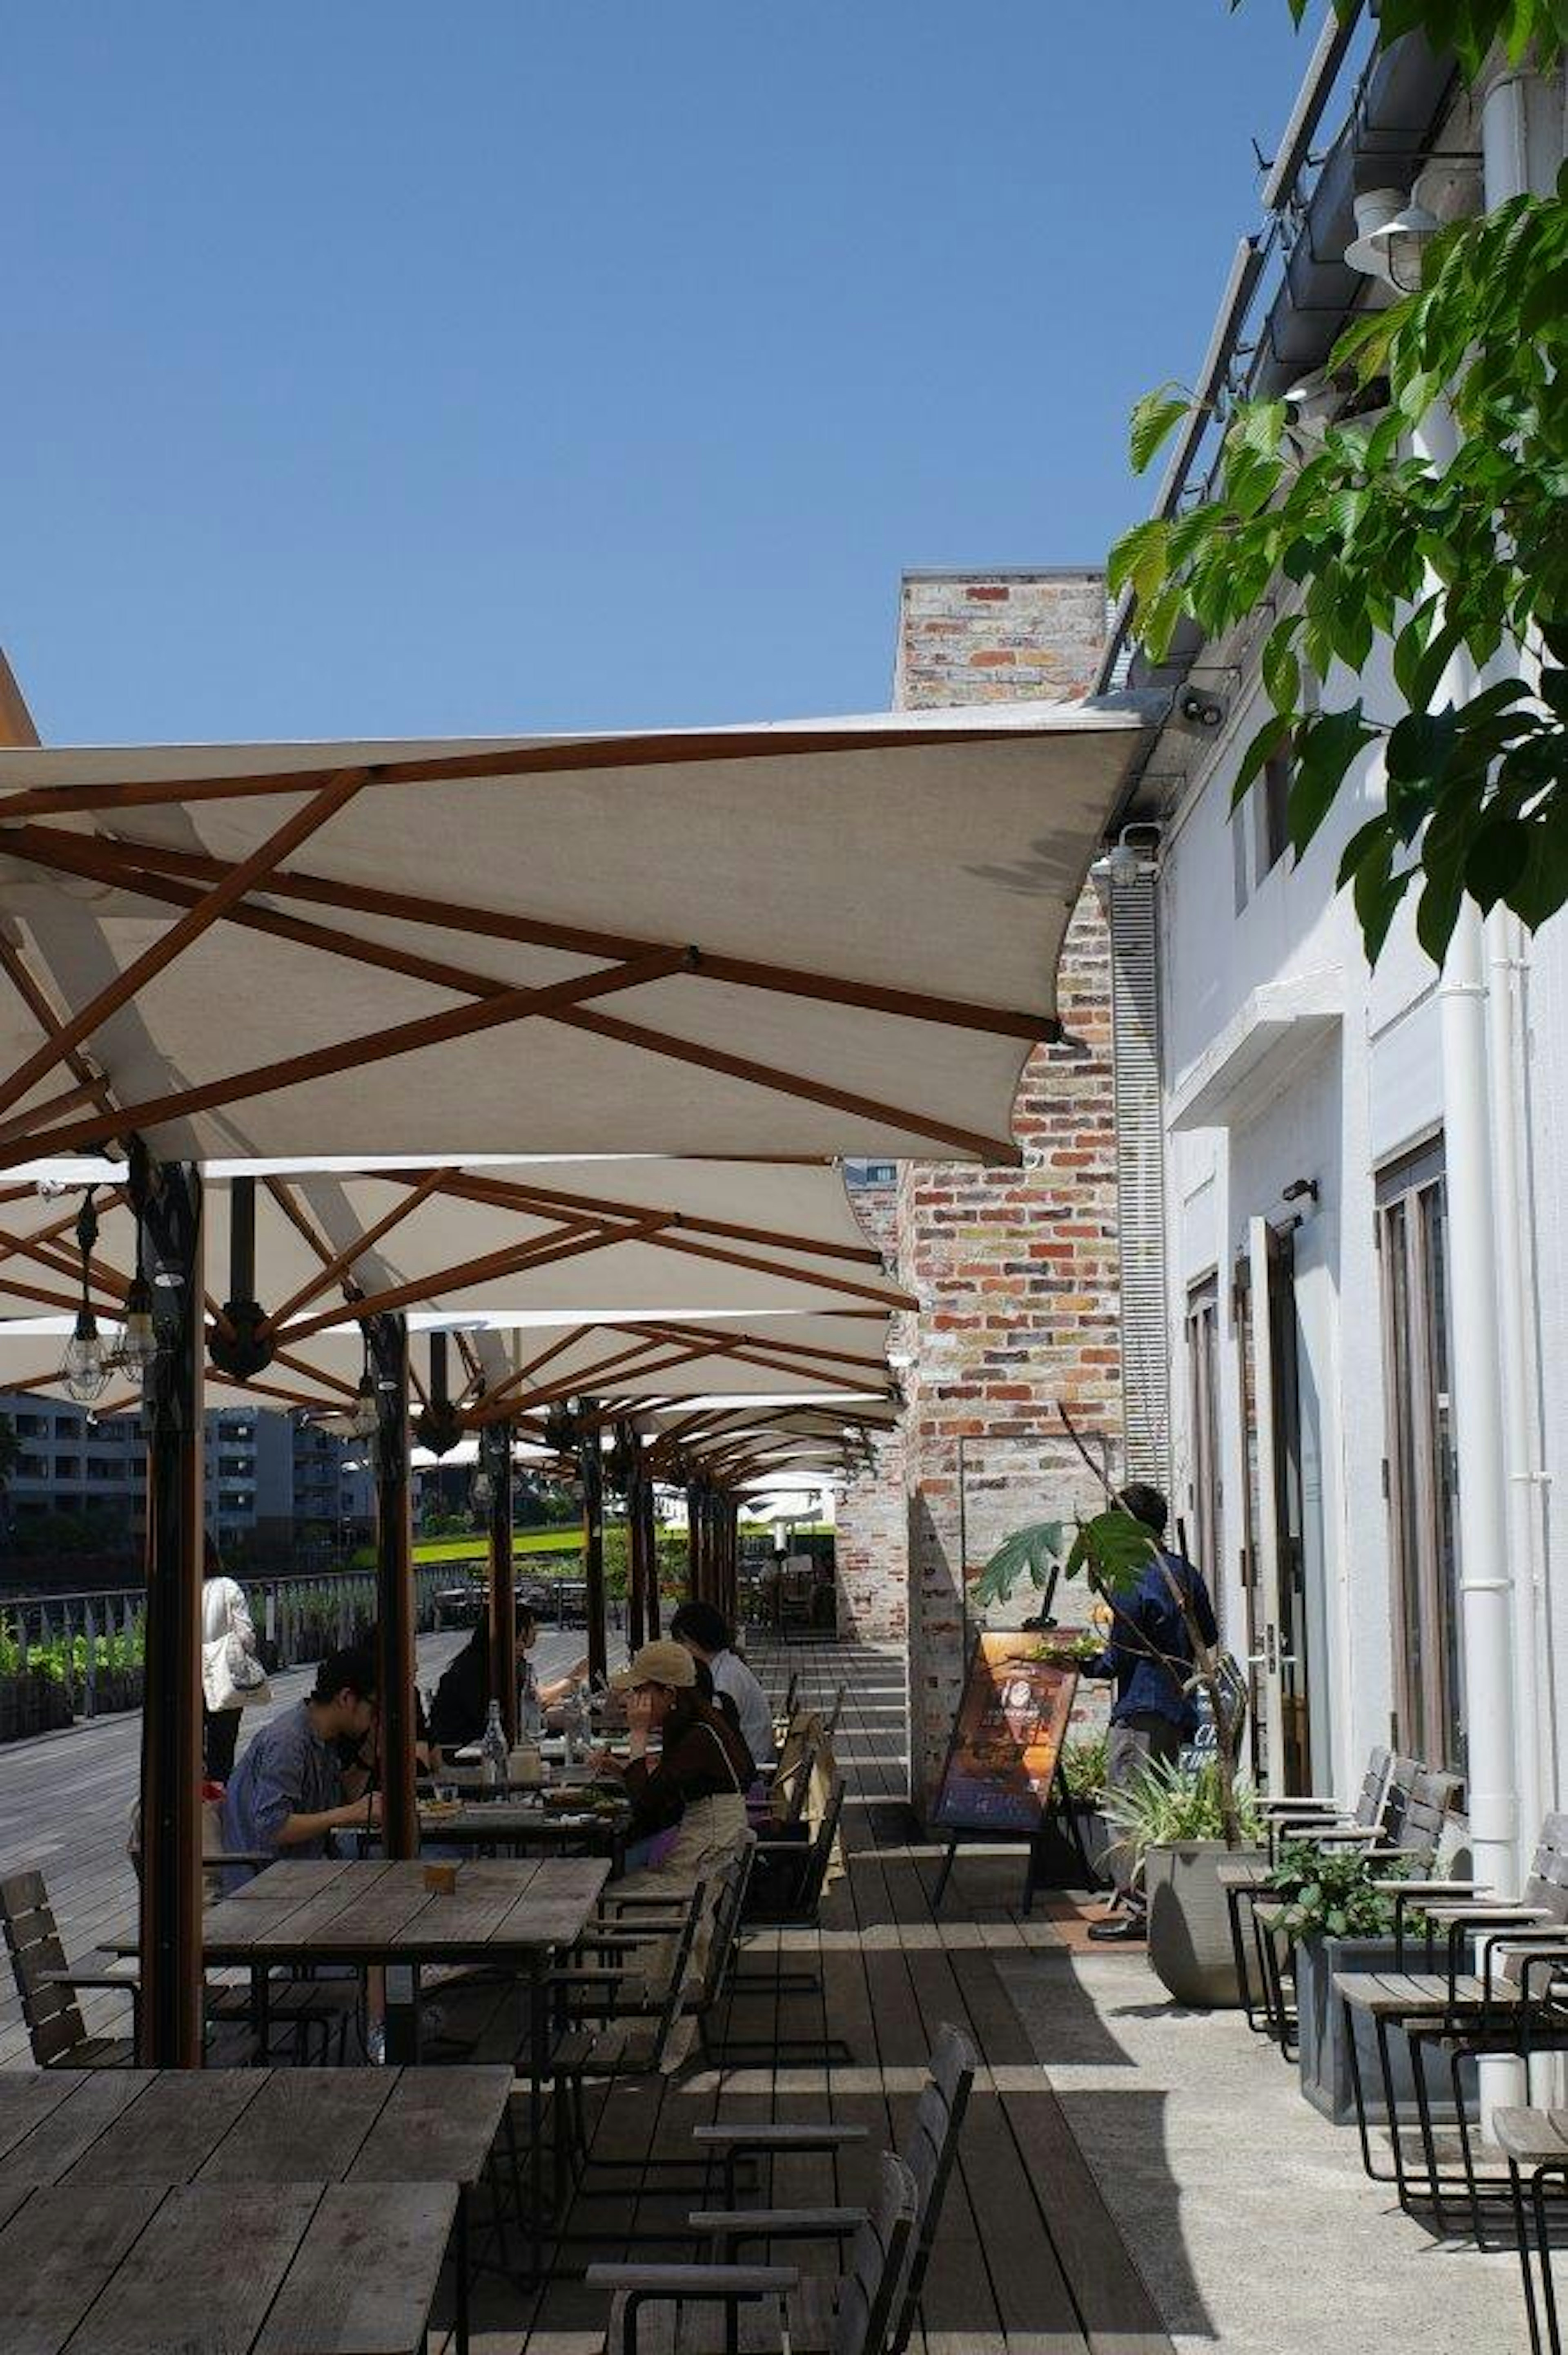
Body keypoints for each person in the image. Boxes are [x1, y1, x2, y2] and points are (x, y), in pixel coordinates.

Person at [1075, 1483, 1219, 1944]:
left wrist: (1082, 1663)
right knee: (1159, 1807)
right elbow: (1209, 1636)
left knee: (1129, 1809)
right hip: (1179, 1708)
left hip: (1141, 1708)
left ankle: (1140, 1910)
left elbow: (1118, 1657)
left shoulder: (1134, 1575)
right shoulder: (1184, 1572)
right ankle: (1156, 1903)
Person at [219, 1644, 379, 1884]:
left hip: (302, 1873)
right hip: (264, 1885)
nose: (376, 1717)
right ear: (347, 1698)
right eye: (374, 1708)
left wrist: (369, 1755)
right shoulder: (289, 1741)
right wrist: (348, 1814)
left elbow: (338, 1804)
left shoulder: (324, 1737)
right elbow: (273, 1827)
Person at [590, 1637, 754, 1870]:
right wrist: (621, 1770)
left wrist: (639, 1733)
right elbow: (658, 1795)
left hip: (704, 1863)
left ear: (669, 1693)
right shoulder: (694, 1728)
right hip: (704, 1852)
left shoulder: (699, 1737)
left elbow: (645, 1803)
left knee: (604, 1872)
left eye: (641, 1690)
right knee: (608, 1863)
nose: (633, 1699)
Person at [428, 1608, 587, 1750]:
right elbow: (526, 1707)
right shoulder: (480, 1668)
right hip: (464, 1751)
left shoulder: (509, 1662)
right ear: (516, 1632)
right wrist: (572, 1680)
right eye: (532, 1626)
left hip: (490, 1745)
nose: (536, 1632)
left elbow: (531, 1701)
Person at [669, 1600, 776, 1771]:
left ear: (698, 1640)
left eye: (681, 1642)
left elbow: (714, 1734)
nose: (679, 1650)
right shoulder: (726, 1666)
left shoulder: (726, 1678)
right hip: (747, 1759)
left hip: (749, 1769)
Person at [200, 1535, 262, 1783]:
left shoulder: (175, 1590)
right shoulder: (227, 1587)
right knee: (222, 1752)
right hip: (225, 1679)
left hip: (186, 1683)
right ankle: (218, 1808)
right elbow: (246, 1637)